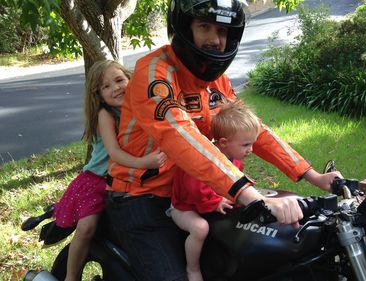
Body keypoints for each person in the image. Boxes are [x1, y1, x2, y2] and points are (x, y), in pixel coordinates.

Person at [105, 0, 342, 280]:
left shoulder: (215, 82)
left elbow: (253, 130)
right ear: (184, 28)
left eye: (222, 30)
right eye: (204, 27)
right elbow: (178, 135)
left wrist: (312, 175)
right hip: (142, 199)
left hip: (197, 194)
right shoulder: (155, 72)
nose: (215, 40)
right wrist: (249, 195)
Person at [52, 60, 167, 281]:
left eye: (119, 80)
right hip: (96, 180)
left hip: (122, 179)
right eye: (106, 86)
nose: (115, 88)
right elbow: (113, 152)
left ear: (130, 78)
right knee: (87, 227)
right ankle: (71, 276)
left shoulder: (140, 107)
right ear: (99, 95)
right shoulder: (107, 114)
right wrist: (145, 162)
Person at [170, 100, 260, 281]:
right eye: (245, 145)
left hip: (205, 203)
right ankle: (192, 269)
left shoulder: (234, 160)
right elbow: (195, 189)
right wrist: (216, 201)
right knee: (200, 228)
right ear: (224, 142)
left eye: (252, 144)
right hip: (185, 207)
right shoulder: (203, 159)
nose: (250, 149)